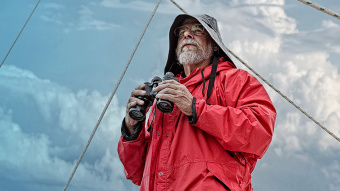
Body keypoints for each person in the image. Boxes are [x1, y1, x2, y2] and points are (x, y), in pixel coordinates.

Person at [118, 14, 276, 191]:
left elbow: (259, 133)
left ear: (214, 45)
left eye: (197, 30)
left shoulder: (236, 80)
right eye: (181, 32)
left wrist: (195, 108)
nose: (187, 35)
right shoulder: (164, 97)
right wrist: (132, 130)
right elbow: (138, 173)